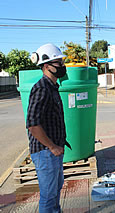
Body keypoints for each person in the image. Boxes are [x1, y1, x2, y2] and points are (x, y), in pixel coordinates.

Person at [27, 43, 70, 213]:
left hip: (54, 150)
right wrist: (52, 146)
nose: (62, 66)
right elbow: (32, 124)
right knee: (48, 195)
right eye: (58, 63)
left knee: (55, 190)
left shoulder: (52, 87)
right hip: (46, 152)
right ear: (47, 66)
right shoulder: (41, 88)